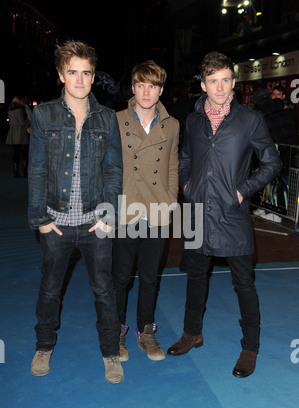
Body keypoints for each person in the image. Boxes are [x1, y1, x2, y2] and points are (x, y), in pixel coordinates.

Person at [167, 51, 282, 378]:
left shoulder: (251, 120)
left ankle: (250, 346)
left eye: (225, 80)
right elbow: (185, 157)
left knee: (244, 282)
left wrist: (242, 190)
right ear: (203, 83)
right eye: (213, 81)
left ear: (234, 82)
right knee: (194, 275)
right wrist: (187, 185)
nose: (220, 87)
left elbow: (273, 162)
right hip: (197, 211)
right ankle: (193, 333)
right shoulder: (192, 120)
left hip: (233, 213)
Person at [28, 40, 124, 384]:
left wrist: (107, 216)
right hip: (56, 223)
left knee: (105, 290)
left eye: (86, 73)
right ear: (60, 75)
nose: (80, 80)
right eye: (72, 72)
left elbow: (114, 170)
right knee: (50, 289)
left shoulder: (108, 117)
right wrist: (40, 219)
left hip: (95, 223)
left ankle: (111, 352)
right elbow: (36, 169)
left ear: (94, 76)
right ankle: (43, 345)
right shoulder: (43, 115)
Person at [113, 60, 179, 362]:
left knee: (151, 277)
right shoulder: (116, 120)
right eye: (141, 85)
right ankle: (116, 330)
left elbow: (173, 166)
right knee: (121, 277)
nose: (146, 91)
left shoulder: (172, 125)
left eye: (152, 85)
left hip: (156, 210)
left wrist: (170, 200)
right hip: (126, 208)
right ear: (133, 87)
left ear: (161, 89)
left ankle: (146, 330)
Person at [6, 96, 29, 177]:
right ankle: (24, 171)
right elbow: (22, 122)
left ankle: (15, 171)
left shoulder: (10, 110)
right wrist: (28, 122)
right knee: (24, 153)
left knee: (15, 153)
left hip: (13, 133)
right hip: (20, 133)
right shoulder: (20, 110)